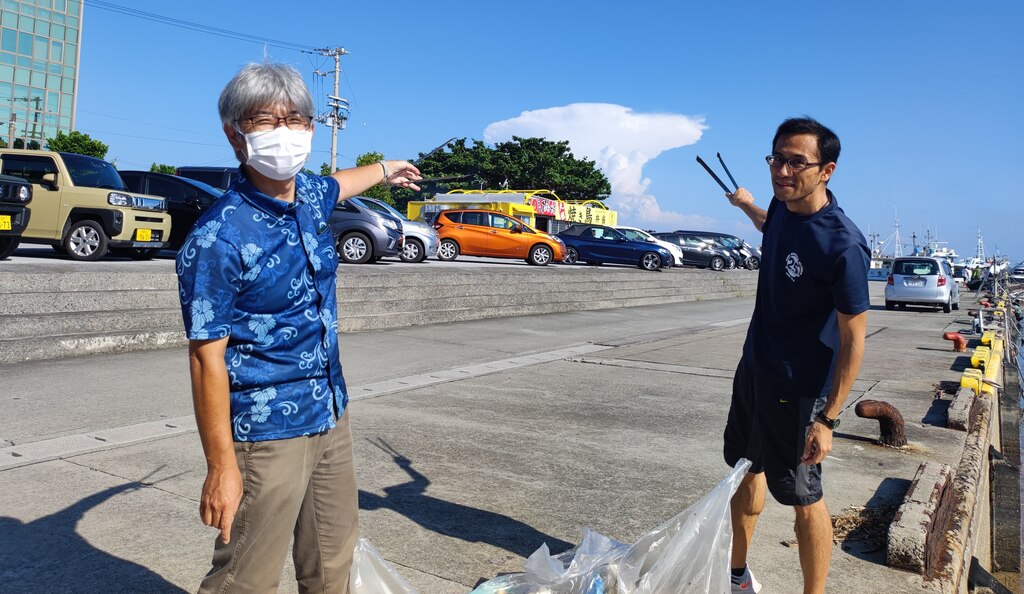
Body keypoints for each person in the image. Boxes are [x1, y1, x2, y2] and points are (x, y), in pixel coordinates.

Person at [176, 62, 421, 593]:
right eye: (266, 121)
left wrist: (386, 168)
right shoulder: (217, 237)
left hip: (330, 410)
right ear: (234, 135)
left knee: (333, 565)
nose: (285, 134)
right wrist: (221, 467)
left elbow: (340, 183)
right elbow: (205, 357)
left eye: (298, 120)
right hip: (265, 433)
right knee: (246, 578)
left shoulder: (309, 195)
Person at [721, 117, 869, 594]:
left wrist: (828, 419)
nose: (783, 171)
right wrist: (747, 206)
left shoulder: (843, 244)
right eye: (776, 159)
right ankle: (737, 578)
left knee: (805, 497)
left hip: (800, 390)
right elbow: (773, 229)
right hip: (756, 368)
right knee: (746, 467)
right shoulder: (781, 208)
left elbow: (853, 340)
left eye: (796, 162)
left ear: (826, 170)